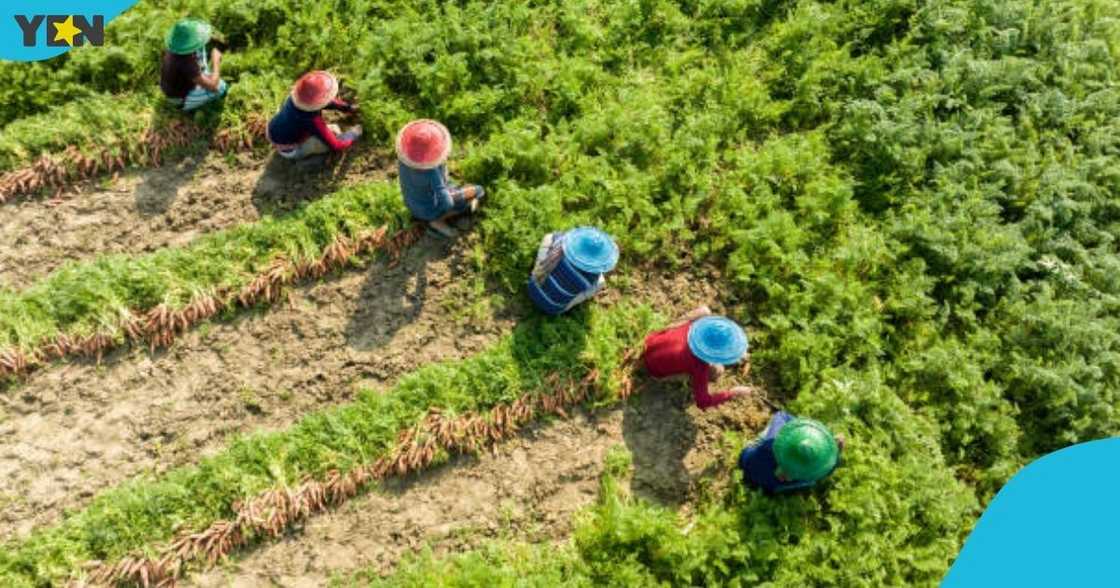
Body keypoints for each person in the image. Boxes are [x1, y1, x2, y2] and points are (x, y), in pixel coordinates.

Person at [642, 306, 750, 410]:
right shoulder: (700, 365)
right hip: (653, 369)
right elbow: (703, 402)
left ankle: (669, 333)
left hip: (649, 342)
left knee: (704, 311)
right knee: (718, 370)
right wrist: (732, 393)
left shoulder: (692, 326)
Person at [396, 119, 484, 238]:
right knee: (478, 190)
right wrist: (452, 197)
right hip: (428, 211)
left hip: (411, 204)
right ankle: (438, 220)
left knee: (454, 188)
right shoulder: (431, 173)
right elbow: (447, 203)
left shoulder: (404, 160)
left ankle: (445, 210)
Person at [738, 412, 845, 494]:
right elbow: (828, 469)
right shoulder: (813, 475)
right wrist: (836, 451)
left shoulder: (771, 443)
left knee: (767, 439)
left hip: (747, 464)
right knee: (810, 482)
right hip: (769, 489)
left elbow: (781, 415)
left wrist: (800, 428)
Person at [266, 71, 362, 161]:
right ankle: (303, 155)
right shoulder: (311, 120)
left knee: (309, 128)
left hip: (274, 131)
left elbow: (327, 102)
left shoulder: (296, 97)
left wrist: (348, 108)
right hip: (290, 151)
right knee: (335, 131)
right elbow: (336, 145)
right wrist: (353, 134)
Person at [527, 227, 619, 315]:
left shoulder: (560, 244)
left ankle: (538, 273)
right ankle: (562, 299)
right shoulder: (592, 276)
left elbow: (555, 237)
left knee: (548, 238)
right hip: (553, 308)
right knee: (601, 282)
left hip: (532, 286)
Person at [160, 18, 229, 111]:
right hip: (181, 99)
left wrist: (214, 37)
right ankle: (191, 105)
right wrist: (215, 61)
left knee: (200, 48)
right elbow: (213, 86)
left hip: (171, 87)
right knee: (221, 88)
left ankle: (203, 76)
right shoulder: (187, 63)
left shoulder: (175, 48)